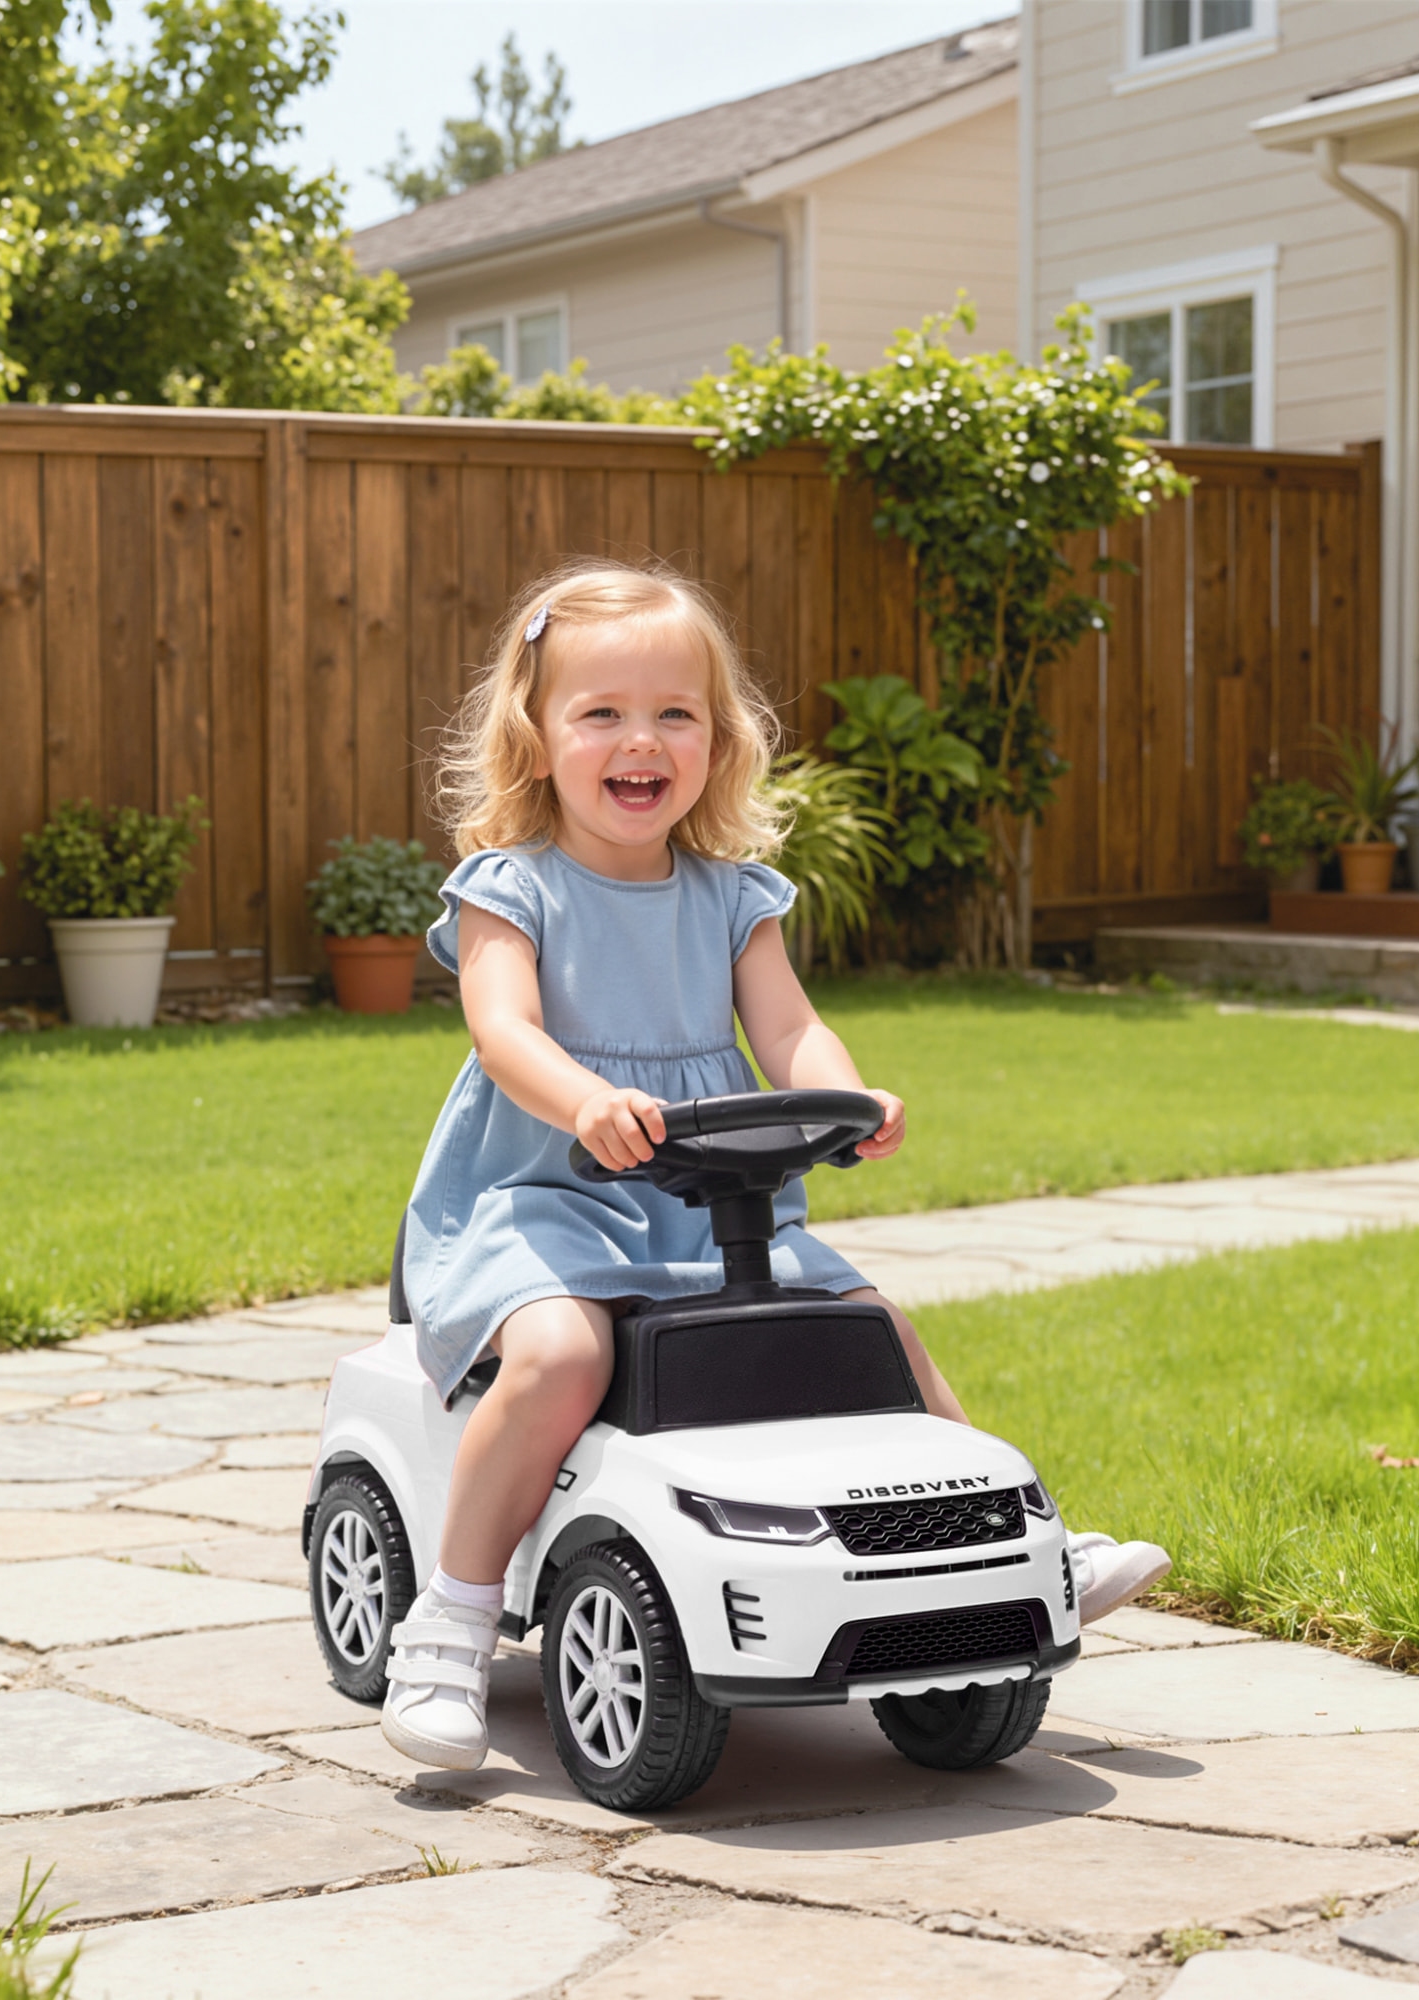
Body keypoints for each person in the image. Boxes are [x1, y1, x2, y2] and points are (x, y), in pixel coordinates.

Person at [381, 561, 1168, 1771]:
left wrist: (848, 1094)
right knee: (563, 1355)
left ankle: (1018, 1543)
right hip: (545, 1202)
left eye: (674, 713)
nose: (640, 740)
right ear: (536, 736)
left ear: (718, 738)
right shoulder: (513, 887)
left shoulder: (731, 897)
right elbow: (503, 1031)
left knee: (871, 1325)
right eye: (601, 713)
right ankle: (452, 1617)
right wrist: (587, 1099)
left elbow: (788, 1026)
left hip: (712, 1212)